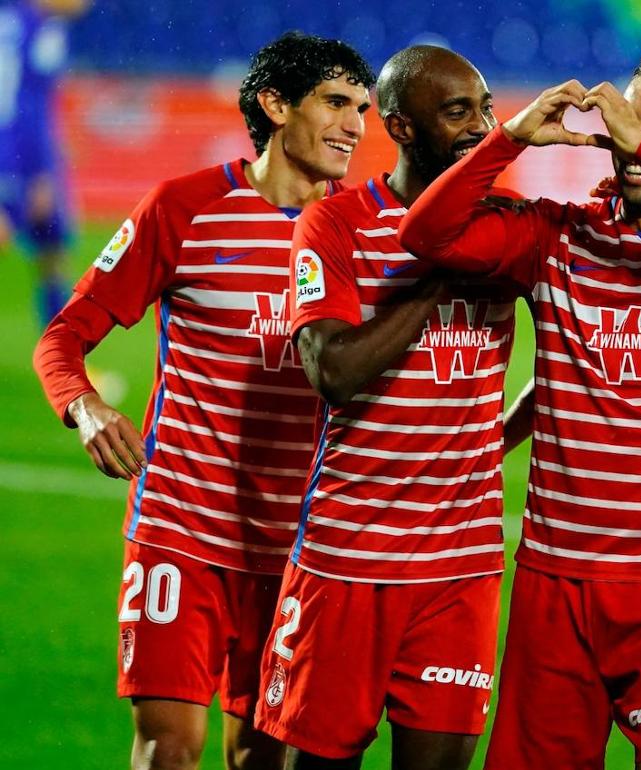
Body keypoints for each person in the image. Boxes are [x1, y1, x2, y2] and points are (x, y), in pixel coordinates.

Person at [399, 55, 641, 770]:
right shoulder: (557, 236)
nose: (632, 138)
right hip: (557, 590)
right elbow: (425, 235)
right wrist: (511, 138)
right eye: (628, 121)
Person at [31, 32, 374, 770]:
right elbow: (63, 337)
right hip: (180, 528)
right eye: (336, 103)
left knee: (259, 758)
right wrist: (85, 406)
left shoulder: (363, 232)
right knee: (169, 749)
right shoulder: (183, 209)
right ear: (276, 105)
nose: (354, 126)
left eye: (363, 109)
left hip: (299, 546)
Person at [251, 45, 516, 770]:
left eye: (486, 109)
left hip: (461, 566)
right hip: (348, 558)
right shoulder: (334, 225)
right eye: (457, 112)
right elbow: (333, 370)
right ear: (400, 127)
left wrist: (497, 436)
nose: (480, 127)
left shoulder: (506, 226)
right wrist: (437, 274)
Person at [0, 0, 91, 325]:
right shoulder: (44, 29)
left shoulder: (11, 17)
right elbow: (29, 104)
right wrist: (39, 170)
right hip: (18, 154)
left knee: (53, 249)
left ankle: (59, 348)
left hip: (18, 147)